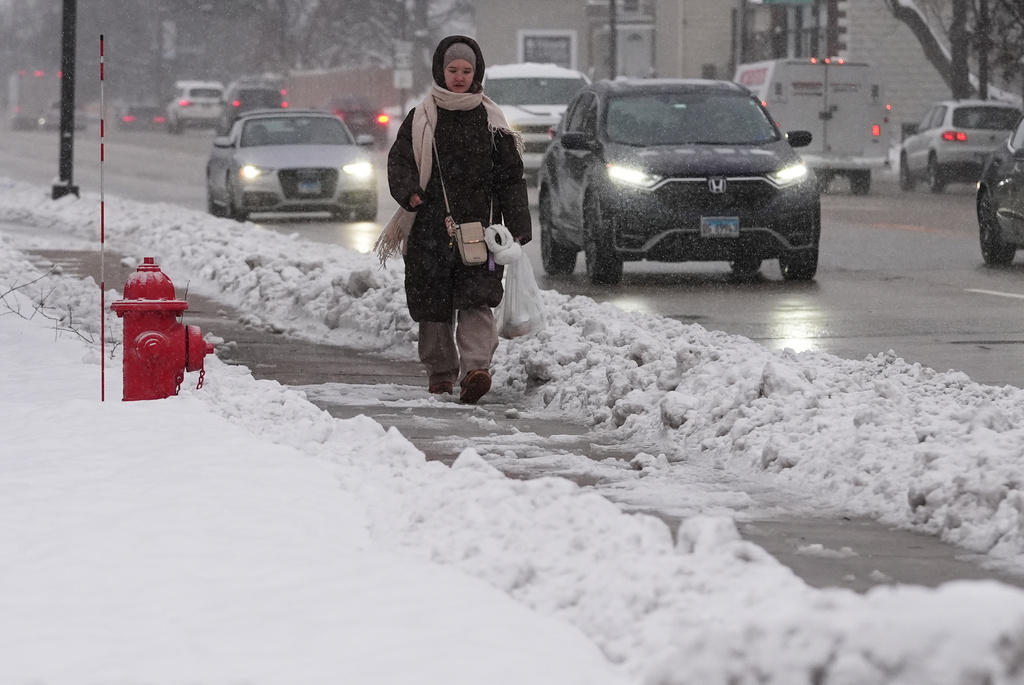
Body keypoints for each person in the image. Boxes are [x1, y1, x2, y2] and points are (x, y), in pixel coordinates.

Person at [377, 35, 531, 404]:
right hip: (430, 226)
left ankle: (476, 369)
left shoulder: (492, 121)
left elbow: (510, 176)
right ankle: (440, 373)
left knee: (477, 299)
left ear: (476, 72)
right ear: (440, 71)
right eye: (453, 70)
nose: (459, 77)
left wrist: (518, 226)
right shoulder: (421, 118)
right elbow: (400, 161)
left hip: (481, 228)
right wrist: (410, 191)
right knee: (433, 304)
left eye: (467, 70)